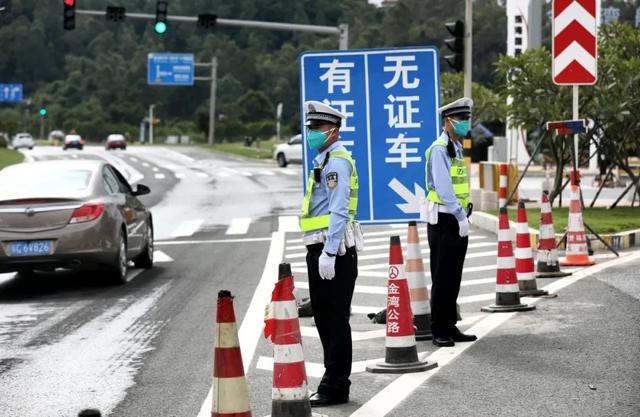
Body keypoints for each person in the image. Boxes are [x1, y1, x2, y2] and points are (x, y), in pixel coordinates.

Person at [299, 100, 360, 407]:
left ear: (333, 131)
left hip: (332, 250)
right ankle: (332, 380)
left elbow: (338, 211)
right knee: (325, 317)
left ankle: (336, 385)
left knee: (334, 319)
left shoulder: (336, 162)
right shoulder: (324, 160)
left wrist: (329, 252)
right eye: (310, 128)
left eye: (318, 129)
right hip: (323, 248)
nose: (312, 134)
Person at [424, 97, 477, 347]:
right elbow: (444, 189)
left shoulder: (456, 147)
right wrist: (459, 215)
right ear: (447, 121)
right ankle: (438, 329)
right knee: (442, 275)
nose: (466, 123)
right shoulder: (439, 149)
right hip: (445, 219)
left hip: (456, 218)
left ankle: (449, 325)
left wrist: (462, 215)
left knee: (453, 275)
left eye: (467, 119)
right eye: (461, 119)